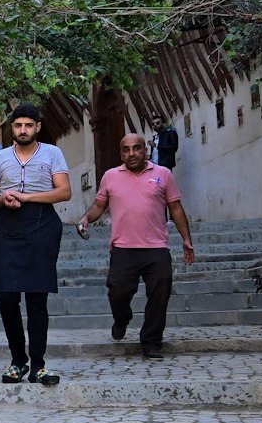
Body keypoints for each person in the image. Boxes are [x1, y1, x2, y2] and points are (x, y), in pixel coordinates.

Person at [77, 132, 197, 359]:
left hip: (157, 249)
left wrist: (186, 240)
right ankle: (122, 318)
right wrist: (85, 219)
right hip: (123, 249)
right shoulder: (110, 176)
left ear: (146, 150)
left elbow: (176, 208)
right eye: (126, 149)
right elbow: (98, 205)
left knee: (160, 294)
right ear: (121, 153)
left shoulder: (163, 174)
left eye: (136, 148)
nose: (131, 153)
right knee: (117, 292)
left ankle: (151, 342)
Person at [0, 103, 71, 386]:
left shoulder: (52, 153)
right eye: (18, 125)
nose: (23, 130)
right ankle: (18, 361)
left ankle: (39, 366)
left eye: (28, 125)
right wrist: (5, 199)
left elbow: (64, 192)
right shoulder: (0, 158)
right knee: (6, 296)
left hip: (42, 226)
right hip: (9, 227)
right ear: (13, 128)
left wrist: (26, 197)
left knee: (37, 297)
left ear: (38, 127)